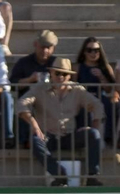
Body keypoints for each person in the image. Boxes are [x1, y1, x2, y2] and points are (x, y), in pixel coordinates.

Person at [18, 57, 104, 186]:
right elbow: (21, 104)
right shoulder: (40, 87)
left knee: (94, 135)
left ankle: (92, 176)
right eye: (57, 73)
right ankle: (59, 174)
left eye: (64, 74)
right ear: (51, 73)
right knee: (35, 141)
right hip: (47, 135)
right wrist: (35, 125)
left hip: (70, 135)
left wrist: (93, 127)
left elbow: (97, 105)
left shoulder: (77, 89)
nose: (60, 77)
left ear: (69, 76)